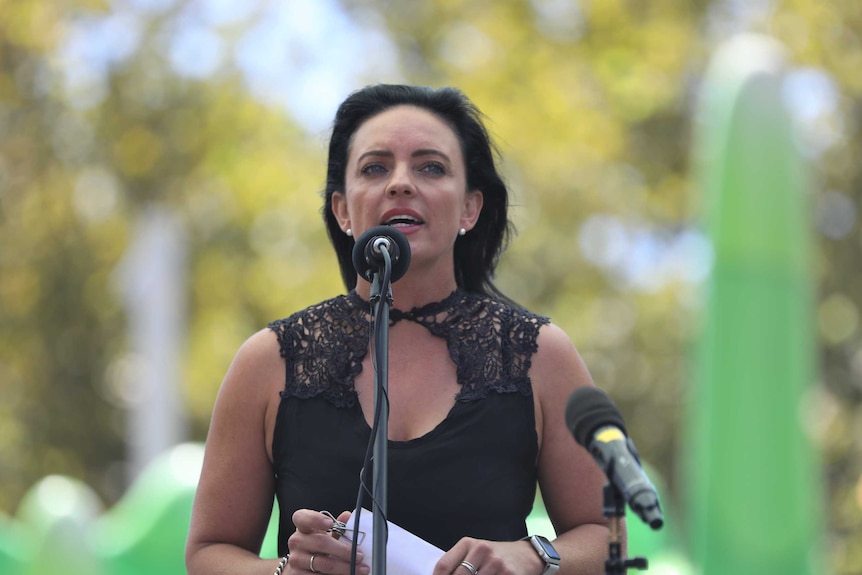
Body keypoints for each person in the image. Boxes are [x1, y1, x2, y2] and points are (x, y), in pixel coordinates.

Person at [185, 84, 614, 575]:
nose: (400, 183)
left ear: (470, 208)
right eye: (375, 168)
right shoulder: (269, 362)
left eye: (431, 167)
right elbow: (207, 553)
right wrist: (286, 572)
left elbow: (610, 537)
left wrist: (534, 556)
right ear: (343, 209)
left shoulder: (539, 354)